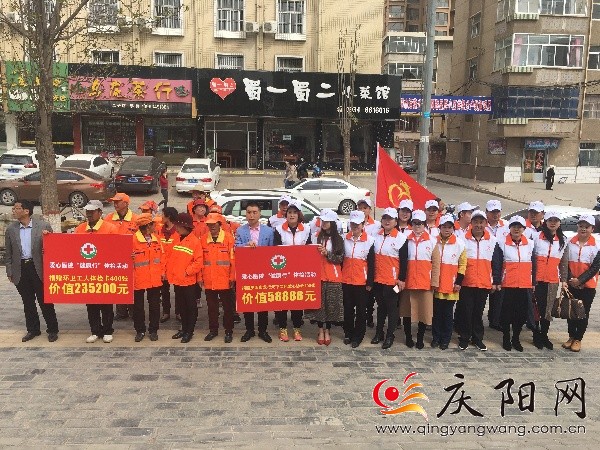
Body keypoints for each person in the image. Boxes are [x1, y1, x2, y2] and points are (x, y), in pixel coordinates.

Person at [5, 200, 58, 343]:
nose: (14, 211)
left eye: (17, 208)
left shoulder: (43, 226)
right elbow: (8, 253)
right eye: (14, 208)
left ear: (26, 211)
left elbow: (52, 248)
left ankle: (52, 330)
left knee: (45, 301)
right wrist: (10, 271)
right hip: (21, 269)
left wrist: (48, 236)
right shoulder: (11, 229)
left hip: (38, 267)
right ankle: (33, 329)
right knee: (28, 302)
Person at [456, 210, 502, 351]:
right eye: (475, 222)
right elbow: (458, 261)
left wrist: (496, 281)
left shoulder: (493, 241)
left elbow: (496, 263)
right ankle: (464, 337)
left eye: (481, 222)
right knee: (466, 311)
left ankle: (477, 338)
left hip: (483, 282)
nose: (478, 225)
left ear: (486, 223)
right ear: (471, 223)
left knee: (478, 312)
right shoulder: (462, 239)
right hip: (467, 282)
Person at [74, 200, 119, 343]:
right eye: (87, 211)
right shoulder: (80, 228)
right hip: (87, 273)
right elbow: (73, 248)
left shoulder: (110, 228)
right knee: (91, 303)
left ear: (100, 212)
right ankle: (95, 330)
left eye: (92, 211)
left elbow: (116, 249)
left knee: (106, 303)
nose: (89, 214)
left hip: (105, 272)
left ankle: (107, 330)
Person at [234, 202, 274, 343]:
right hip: (247, 271)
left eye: (254, 212)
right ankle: (249, 330)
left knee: (263, 302)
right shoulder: (240, 230)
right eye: (249, 212)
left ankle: (263, 330)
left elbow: (272, 251)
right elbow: (235, 248)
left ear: (260, 214)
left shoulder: (269, 231)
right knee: (248, 301)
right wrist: (246, 245)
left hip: (263, 271)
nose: (251, 215)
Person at [304, 209, 345, 346]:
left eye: (327, 221)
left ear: (333, 223)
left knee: (330, 306)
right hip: (317, 276)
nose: (324, 223)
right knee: (319, 307)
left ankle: (328, 330)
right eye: (323, 221)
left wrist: (327, 253)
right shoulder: (315, 236)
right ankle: (320, 330)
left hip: (333, 277)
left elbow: (340, 259)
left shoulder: (338, 239)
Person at [401, 210, 440, 349]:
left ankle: (420, 338)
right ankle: (408, 337)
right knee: (406, 312)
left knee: (424, 312)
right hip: (408, 282)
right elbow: (401, 261)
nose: (417, 226)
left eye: (420, 223)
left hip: (425, 283)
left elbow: (436, 264)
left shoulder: (432, 241)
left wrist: (434, 282)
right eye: (415, 223)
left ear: (425, 225)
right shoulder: (405, 239)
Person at [370, 207, 408, 349]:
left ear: (396, 221)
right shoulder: (376, 235)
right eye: (385, 218)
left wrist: (401, 279)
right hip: (378, 279)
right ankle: (379, 332)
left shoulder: (401, 238)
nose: (387, 221)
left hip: (393, 281)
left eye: (390, 219)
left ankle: (390, 335)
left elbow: (404, 261)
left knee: (392, 308)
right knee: (380, 307)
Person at [273, 200, 311, 341]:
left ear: (299, 214)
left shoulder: (306, 229)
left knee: (297, 300)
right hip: (282, 271)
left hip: (299, 272)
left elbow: (308, 249)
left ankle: (297, 328)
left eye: (295, 212)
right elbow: (276, 250)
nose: (292, 215)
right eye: (289, 212)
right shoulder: (278, 229)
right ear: (286, 214)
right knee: (282, 300)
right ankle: (282, 329)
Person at [497, 216, 535, 352]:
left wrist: (533, 281)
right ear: (510, 228)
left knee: (521, 314)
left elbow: (534, 264)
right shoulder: (501, 243)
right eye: (514, 226)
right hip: (507, 284)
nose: (516, 229)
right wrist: (497, 281)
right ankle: (506, 337)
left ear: (524, 229)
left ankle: (516, 338)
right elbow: (497, 264)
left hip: (524, 284)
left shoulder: (530, 244)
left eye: (519, 227)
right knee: (506, 314)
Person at [532, 211, 568, 350]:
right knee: (537, 308)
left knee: (548, 309)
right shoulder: (536, 237)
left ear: (559, 223)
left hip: (552, 280)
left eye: (556, 220)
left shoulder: (563, 240)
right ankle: (536, 334)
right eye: (550, 220)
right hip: (537, 279)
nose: (553, 223)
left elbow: (564, 263)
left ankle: (544, 335)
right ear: (545, 222)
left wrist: (564, 280)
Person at [431, 214, 467, 350]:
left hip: (451, 285)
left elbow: (462, 264)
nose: (447, 229)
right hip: (436, 284)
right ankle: (436, 337)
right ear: (439, 228)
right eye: (444, 227)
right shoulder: (433, 242)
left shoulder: (460, 244)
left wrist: (459, 282)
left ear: (453, 228)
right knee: (436, 314)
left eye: (449, 227)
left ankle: (445, 339)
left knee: (447, 314)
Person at [564, 215, 599, 352]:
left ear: (592, 229)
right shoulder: (569, 242)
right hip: (571, 284)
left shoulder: (597, 245)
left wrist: (580, 280)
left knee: (583, 313)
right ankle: (571, 336)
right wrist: (570, 279)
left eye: (587, 227)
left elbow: (595, 267)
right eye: (581, 226)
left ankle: (578, 338)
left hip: (588, 285)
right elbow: (564, 263)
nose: (583, 229)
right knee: (571, 311)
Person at [167, 213, 203, 343]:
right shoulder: (176, 238)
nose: (176, 228)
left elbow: (198, 262)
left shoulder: (194, 241)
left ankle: (189, 331)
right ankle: (183, 328)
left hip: (189, 281)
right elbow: (170, 257)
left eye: (178, 226)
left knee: (190, 307)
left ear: (186, 227)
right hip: (177, 280)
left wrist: (186, 272)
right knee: (181, 306)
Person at [342, 210, 375, 348]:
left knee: (361, 311)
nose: (355, 227)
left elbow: (372, 263)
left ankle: (358, 336)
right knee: (348, 309)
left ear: (363, 224)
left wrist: (370, 282)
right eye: (352, 224)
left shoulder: (370, 241)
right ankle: (348, 333)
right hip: (346, 280)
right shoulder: (344, 238)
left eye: (358, 224)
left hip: (361, 282)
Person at [202, 213, 237, 343]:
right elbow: (201, 260)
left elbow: (233, 260)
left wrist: (232, 277)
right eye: (209, 224)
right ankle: (213, 330)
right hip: (209, 280)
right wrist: (200, 278)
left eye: (214, 224)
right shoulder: (203, 239)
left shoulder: (228, 238)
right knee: (212, 308)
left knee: (228, 308)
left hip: (225, 280)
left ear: (219, 224)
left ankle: (228, 331)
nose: (211, 226)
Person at [131, 213, 165, 342]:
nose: (155, 226)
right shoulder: (133, 240)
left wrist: (162, 272)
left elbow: (162, 257)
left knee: (155, 306)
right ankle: (140, 330)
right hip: (138, 278)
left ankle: (153, 330)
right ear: (147, 226)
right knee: (138, 307)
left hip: (155, 278)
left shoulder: (156, 239)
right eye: (153, 224)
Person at [106, 193, 138, 321]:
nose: (115, 204)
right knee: (118, 283)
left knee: (132, 285)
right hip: (114, 258)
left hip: (131, 258)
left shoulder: (135, 219)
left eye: (117, 202)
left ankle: (134, 311)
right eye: (114, 202)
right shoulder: (108, 218)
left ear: (126, 203)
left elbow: (140, 238)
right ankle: (121, 312)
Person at [485, 199, 508, 331]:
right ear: (486, 212)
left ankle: (495, 320)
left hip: (501, 262)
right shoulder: (481, 224)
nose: (495, 214)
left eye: (497, 212)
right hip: (485, 261)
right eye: (492, 212)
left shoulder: (506, 225)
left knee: (498, 292)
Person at [357, 197, 380, 328]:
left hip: (371, 259)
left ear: (370, 210)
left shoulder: (376, 225)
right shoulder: (353, 223)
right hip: (358, 260)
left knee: (370, 292)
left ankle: (369, 316)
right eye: (360, 208)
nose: (362, 210)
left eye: (365, 208)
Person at [157, 207, 179, 323]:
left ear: (168, 216)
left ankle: (179, 312)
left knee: (178, 291)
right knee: (164, 291)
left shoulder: (178, 231)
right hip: (163, 266)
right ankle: (166, 312)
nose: (161, 216)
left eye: (163, 214)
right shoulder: (159, 230)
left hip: (175, 266)